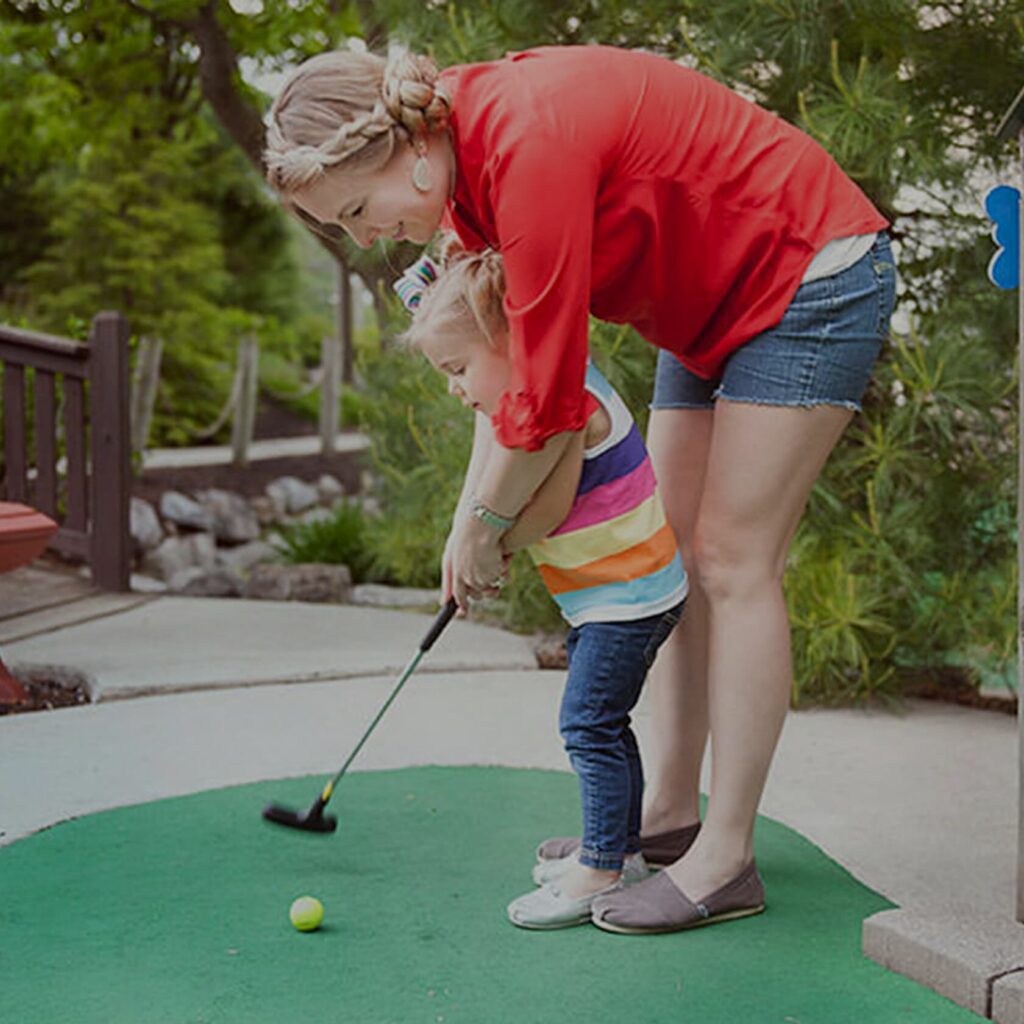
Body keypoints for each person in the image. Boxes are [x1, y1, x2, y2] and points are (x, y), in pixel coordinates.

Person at [265, 43, 897, 935]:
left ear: (404, 151)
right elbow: (511, 367)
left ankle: (725, 857)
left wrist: (490, 524)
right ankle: (672, 813)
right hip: (708, 305)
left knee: (732, 559)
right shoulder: (464, 189)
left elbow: (551, 398)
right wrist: (466, 523)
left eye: (359, 212)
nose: (366, 239)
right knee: (676, 549)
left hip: (806, 271)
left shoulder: (524, 144)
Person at [392, 246, 689, 929]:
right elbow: (500, 487)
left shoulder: (564, 405)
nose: (455, 388)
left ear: (506, 339)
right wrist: (471, 544)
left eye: (459, 368)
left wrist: (488, 552)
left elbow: (547, 511)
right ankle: (621, 849)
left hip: (628, 596)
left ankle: (601, 868)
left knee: (586, 723)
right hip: (614, 592)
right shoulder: (533, 397)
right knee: (605, 725)